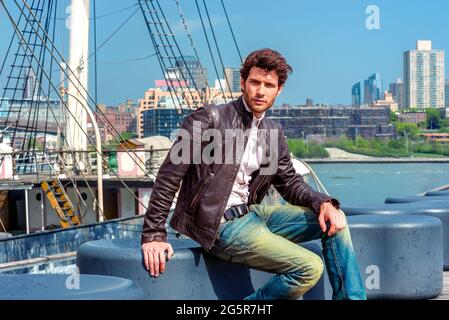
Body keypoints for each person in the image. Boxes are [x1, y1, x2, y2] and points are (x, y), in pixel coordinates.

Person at [141, 48, 366, 300]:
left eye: (268, 85)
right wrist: (153, 235)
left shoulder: (272, 132)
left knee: (336, 219)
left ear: (278, 89)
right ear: (243, 83)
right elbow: (169, 175)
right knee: (309, 268)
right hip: (220, 226)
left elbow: (290, 183)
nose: (260, 91)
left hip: (254, 216)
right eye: (255, 82)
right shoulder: (209, 118)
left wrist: (323, 203)